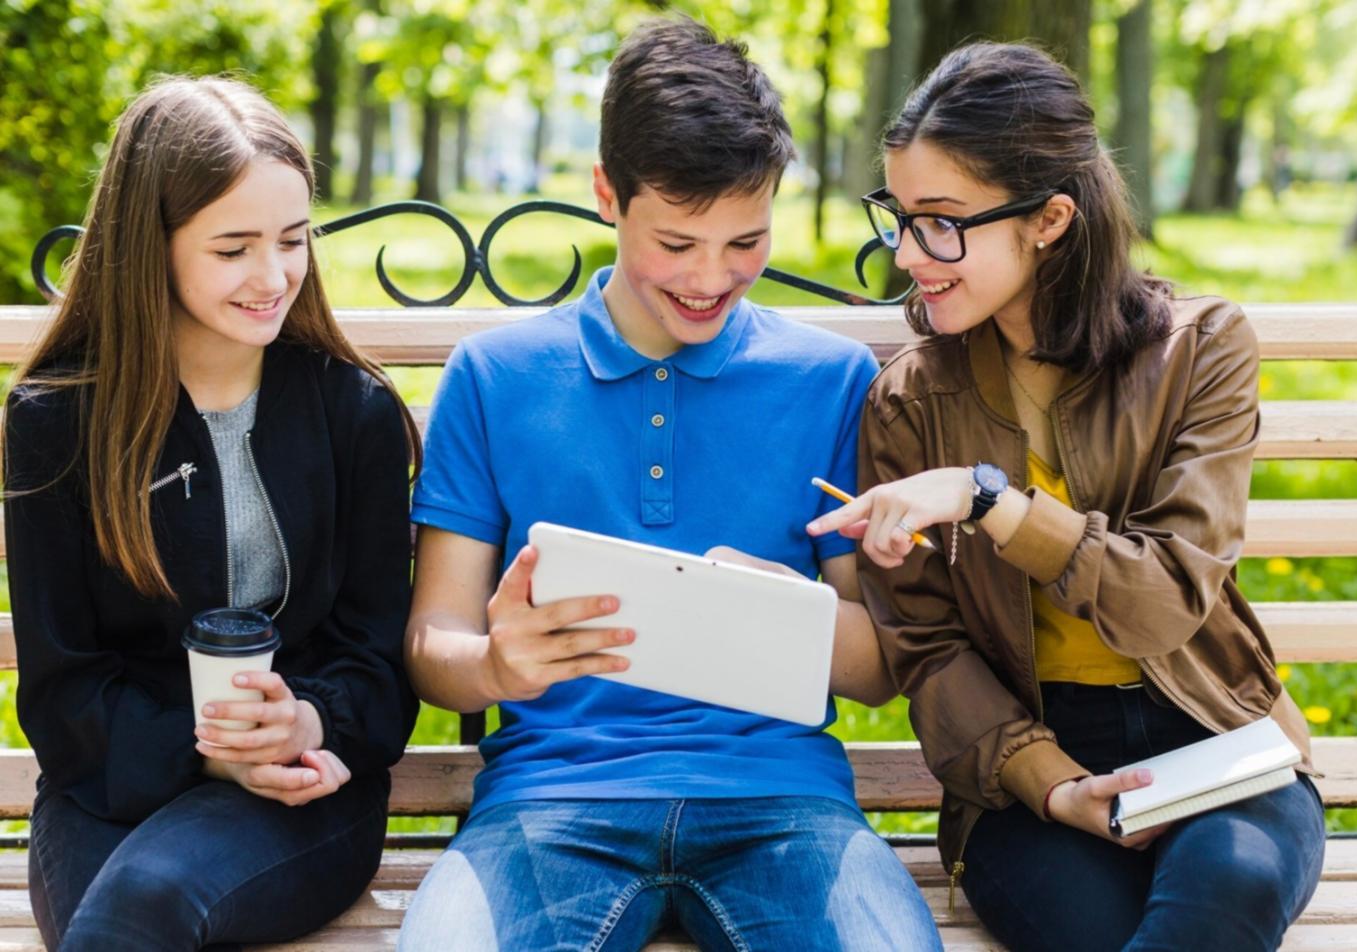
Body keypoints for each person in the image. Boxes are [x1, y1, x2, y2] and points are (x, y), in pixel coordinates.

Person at [397, 18, 941, 952]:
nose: (710, 278)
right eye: (678, 242)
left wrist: (795, 615)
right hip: (549, 798)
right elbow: (430, 642)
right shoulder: (496, 377)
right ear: (608, 194)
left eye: (746, 241)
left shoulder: (832, 383)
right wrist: (495, 663)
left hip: (782, 800)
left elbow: (882, 671)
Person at [809, 42, 1325, 952]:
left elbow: (1165, 600)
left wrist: (988, 501)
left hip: (1214, 734)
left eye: (941, 221)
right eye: (898, 214)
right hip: (1027, 768)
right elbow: (927, 651)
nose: (907, 253)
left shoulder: (1200, 350)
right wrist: (1050, 784)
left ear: (1049, 219)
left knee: (1229, 890)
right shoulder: (909, 400)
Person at [3, 76, 420, 951]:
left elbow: (375, 661)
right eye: (233, 249)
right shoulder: (55, 424)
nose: (273, 277)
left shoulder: (356, 414)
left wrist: (305, 722)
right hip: (109, 784)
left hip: (306, 787)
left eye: (294, 240)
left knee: (138, 910)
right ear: (148, 246)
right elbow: (61, 686)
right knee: (126, 913)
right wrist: (201, 753)